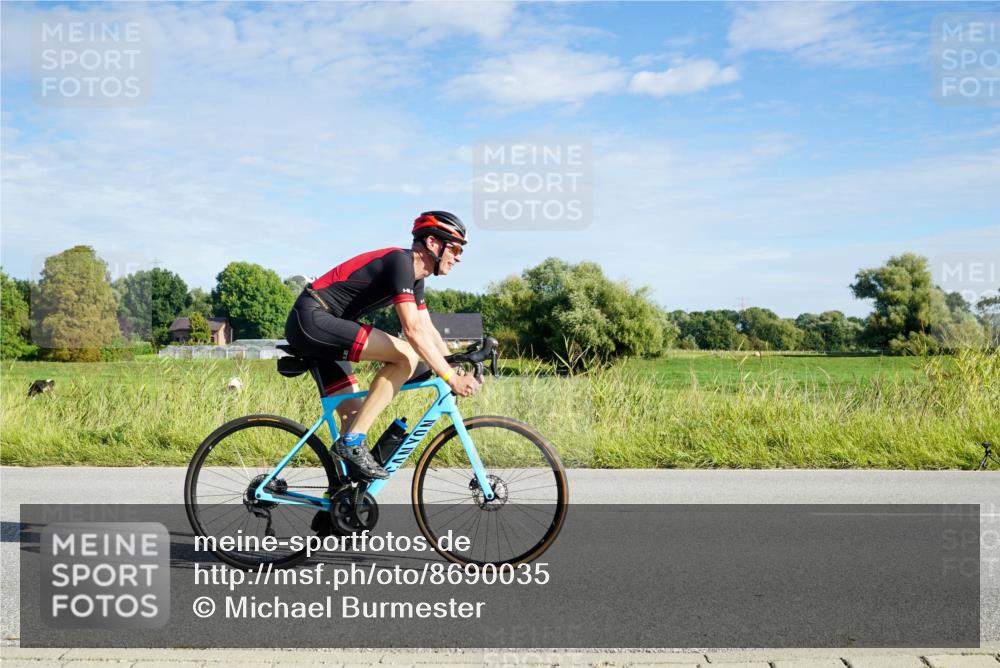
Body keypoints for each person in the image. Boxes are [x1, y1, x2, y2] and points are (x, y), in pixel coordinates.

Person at [283, 211, 481, 480]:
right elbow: (412, 330)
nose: (458, 257)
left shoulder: (415, 278)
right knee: (406, 358)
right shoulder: (400, 263)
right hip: (314, 318)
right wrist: (449, 377)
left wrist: (454, 368)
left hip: (327, 325)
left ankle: (341, 502)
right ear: (434, 243)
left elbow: (427, 329)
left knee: (354, 416)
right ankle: (353, 442)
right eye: (455, 248)